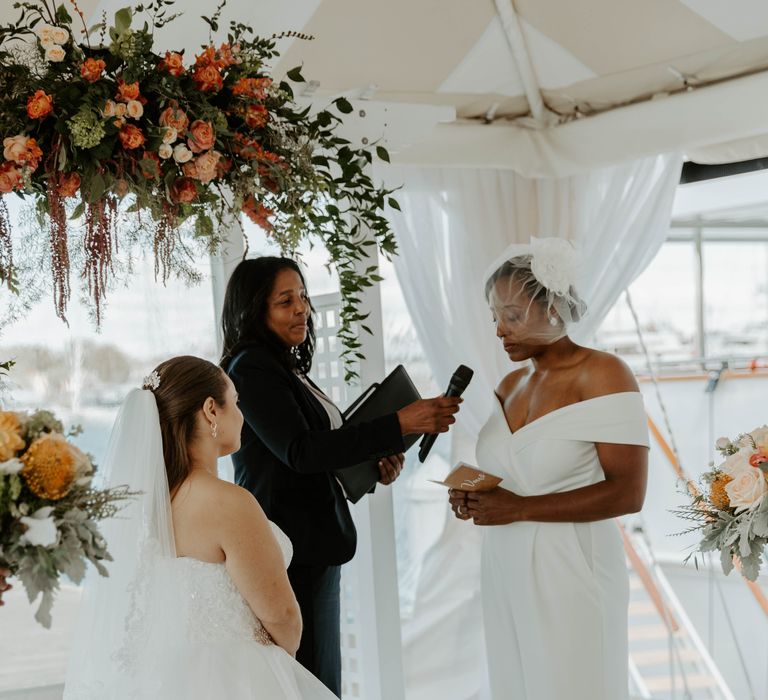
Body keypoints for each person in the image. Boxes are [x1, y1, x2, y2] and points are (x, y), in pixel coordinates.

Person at [220, 256, 461, 696]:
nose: (302, 308)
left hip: (312, 545)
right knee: (311, 680)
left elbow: (313, 456)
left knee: (320, 677)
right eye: (285, 300)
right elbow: (300, 451)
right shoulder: (251, 368)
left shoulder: (283, 367)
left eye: (303, 297)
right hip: (289, 551)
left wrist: (371, 464)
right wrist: (398, 424)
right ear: (255, 310)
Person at [64, 356, 339, 699]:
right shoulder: (230, 503)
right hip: (238, 679)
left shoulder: (147, 504)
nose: (241, 416)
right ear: (211, 409)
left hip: (167, 676)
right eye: (235, 402)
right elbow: (284, 618)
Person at [448, 237, 649, 700]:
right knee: (516, 684)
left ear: (554, 306)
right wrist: (474, 495)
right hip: (504, 565)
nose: (500, 330)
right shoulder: (509, 384)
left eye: (513, 316)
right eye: (495, 317)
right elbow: (511, 475)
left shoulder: (604, 373)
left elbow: (628, 494)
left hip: (572, 567)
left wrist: (518, 508)